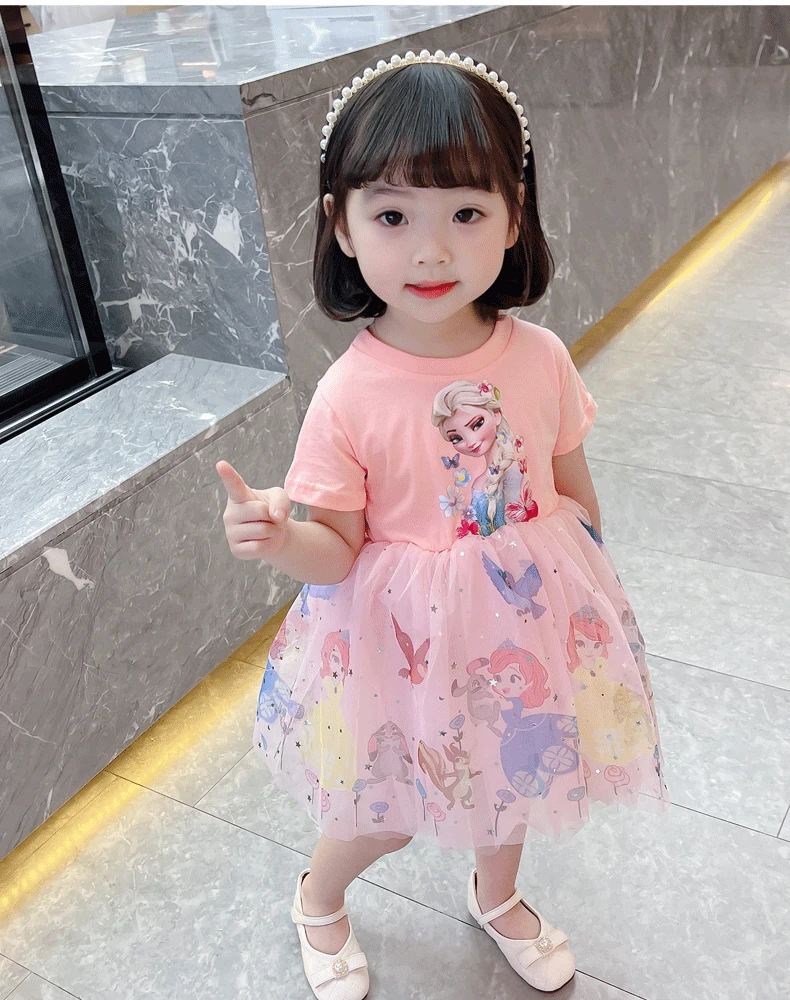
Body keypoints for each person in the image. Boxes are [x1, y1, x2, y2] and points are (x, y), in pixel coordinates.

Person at [217, 48, 670, 999]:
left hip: (523, 628)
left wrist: (579, 589)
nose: (431, 251)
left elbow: (573, 491)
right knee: (383, 808)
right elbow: (336, 552)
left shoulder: (540, 357)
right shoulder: (349, 393)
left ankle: (496, 895)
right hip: (400, 644)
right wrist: (279, 535)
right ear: (341, 225)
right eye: (393, 216)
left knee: (516, 775)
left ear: (515, 215)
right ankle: (318, 896)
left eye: (466, 213)